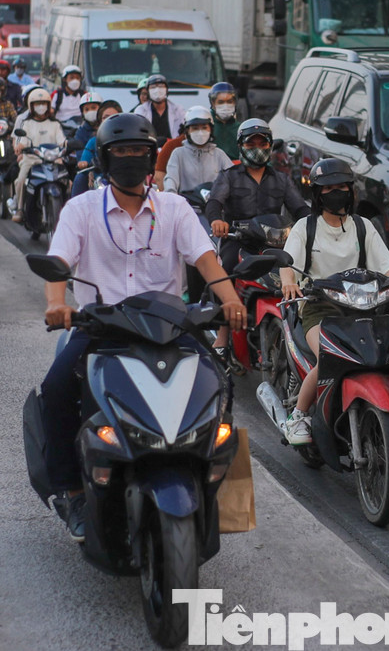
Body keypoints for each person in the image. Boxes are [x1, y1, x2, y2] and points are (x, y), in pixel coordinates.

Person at [39, 113, 247, 541]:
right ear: (104, 158)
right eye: (121, 151)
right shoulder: (82, 209)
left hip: (169, 325)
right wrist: (57, 304)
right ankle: (73, 492)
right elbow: (58, 260)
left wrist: (229, 299)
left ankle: (226, 496)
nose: (130, 158)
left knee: (222, 386)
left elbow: (205, 258)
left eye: (139, 151)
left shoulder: (174, 208)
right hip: (101, 327)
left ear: (152, 157)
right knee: (56, 389)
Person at [280, 159, 389, 443]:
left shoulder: (363, 226)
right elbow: (288, 264)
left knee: (386, 354)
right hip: (319, 308)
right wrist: (289, 283)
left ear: (351, 191)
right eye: (328, 188)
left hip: (362, 307)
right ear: (318, 194)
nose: (336, 192)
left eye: (342, 186)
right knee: (327, 358)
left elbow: (387, 266)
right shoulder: (305, 227)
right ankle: (298, 416)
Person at [206, 119, 311, 360]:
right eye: (250, 143)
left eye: (262, 143)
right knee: (228, 271)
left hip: (274, 242)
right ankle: (223, 334)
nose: (257, 148)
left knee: (303, 269)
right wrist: (217, 221)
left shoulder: (282, 179)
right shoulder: (229, 176)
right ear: (240, 146)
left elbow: (299, 208)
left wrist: (314, 224)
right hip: (238, 240)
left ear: (270, 146)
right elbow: (214, 202)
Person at [12, 87, 67, 222]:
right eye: (37, 104)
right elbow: (23, 141)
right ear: (31, 106)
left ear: (48, 105)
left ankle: (67, 209)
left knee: (67, 181)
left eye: (43, 103)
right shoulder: (27, 123)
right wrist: (20, 146)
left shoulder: (55, 124)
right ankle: (20, 208)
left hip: (53, 160)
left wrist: (68, 145)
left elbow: (62, 141)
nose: (41, 107)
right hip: (32, 159)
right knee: (21, 180)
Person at [163, 107, 230, 194]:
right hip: (187, 200)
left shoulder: (219, 154)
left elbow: (233, 177)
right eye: (195, 128)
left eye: (204, 128)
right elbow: (171, 178)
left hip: (214, 200)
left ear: (211, 129)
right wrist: (171, 193)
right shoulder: (178, 154)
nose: (200, 132)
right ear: (187, 131)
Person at [70, 100, 123, 198]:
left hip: (122, 177)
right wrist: (84, 163)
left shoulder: (126, 140)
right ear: (100, 121)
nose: (110, 120)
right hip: (99, 178)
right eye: (105, 117)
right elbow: (85, 159)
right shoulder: (93, 141)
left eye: (114, 117)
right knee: (80, 177)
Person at [133, 73, 184, 141]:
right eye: (153, 87)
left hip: (172, 146)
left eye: (161, 86)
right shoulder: (141, 110)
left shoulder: (178, 110)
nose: (157, 90)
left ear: (167, 90)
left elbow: (182, 135)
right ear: (148, 91)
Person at [208, 81, 240, 160]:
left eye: (229, 102)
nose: (225, 105)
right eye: (221, 102)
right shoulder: (207, 127)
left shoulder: (240, 128)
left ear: (235, 103)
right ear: (213, 104)